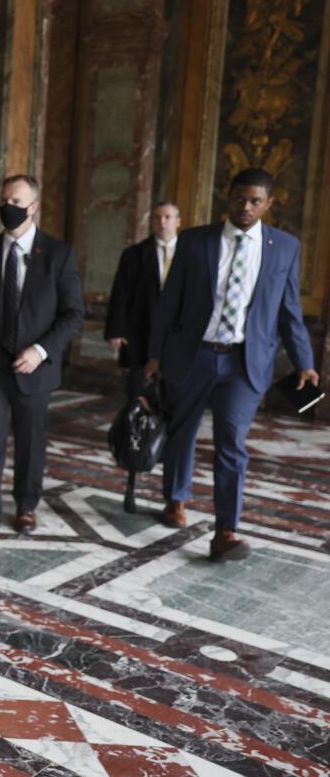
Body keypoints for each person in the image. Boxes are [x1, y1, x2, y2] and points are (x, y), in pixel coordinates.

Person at [145, 168, 318, 561]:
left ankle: (226, 530)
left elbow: (290, 311)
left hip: (245, 362)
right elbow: (169, 302)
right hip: (194, 355)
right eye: (240, 198)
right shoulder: (194, 241)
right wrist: (155, 356)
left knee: (232, 445)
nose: (246, 207)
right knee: (181, 431)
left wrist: (304, 360)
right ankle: (176, 498)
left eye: (255, 201)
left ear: (269, 203)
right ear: (229, 196)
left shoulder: (285, 247)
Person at [0, 175, 85, 551]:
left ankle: (26, 505)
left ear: (34, 206)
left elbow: (73, 314)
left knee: (31, 443)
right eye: (5, 199)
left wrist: (41, 350)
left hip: (34, 369)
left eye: (17, 200)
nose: (9, 206)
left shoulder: (58, 255)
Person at [106, 201, 181, 399]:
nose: (162, 222)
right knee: (137, 387)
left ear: (178, 222)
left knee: (172, 389)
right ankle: (135, 428)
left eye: (167, 217)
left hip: (176, 332)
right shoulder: (134, 254)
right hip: (141, 329)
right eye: (157, 217)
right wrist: (116, 330)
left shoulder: (189, 254)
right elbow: (120, 293)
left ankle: (167, 429)